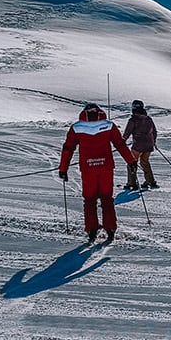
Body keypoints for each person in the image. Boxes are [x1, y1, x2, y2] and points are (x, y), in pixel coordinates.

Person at [59, 103, 137, 242]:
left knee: (89, 200)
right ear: (100, 112)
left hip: (88, 168)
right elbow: (120, 144)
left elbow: (68, 148)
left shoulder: (77, 127)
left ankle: (91, 230)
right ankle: (110, 229)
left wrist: (63, 169)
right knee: (107, 198)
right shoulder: (108, 125)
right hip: (106, 167)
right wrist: (131, 161)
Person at [122, 99, 159, 190]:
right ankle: (151, 181)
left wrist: (121, 142)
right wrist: (153, 142)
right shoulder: (148, 119)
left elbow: (127, 133)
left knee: (132, 163)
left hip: (138, 146)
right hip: (148, 145)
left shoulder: (133, 120)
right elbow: (154, 132)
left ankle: (132, 183)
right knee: (145, 162)